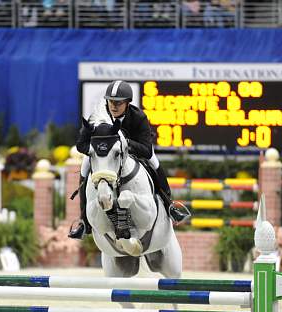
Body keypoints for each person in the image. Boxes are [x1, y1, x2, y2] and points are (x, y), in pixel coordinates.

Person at [68, 80, 190, 240]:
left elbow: (146, 150)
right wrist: (99, 149)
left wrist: (124, 144)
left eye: (119, 103)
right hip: (104, 157)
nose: (114, 106)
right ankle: (84, 221)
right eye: (111, 102)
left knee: (154, 162)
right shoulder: (96, 117)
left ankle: (170, 205)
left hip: (135, 151)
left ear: (127, 103)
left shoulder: (138, 117)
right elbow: (80, 145)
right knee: (84, 169)